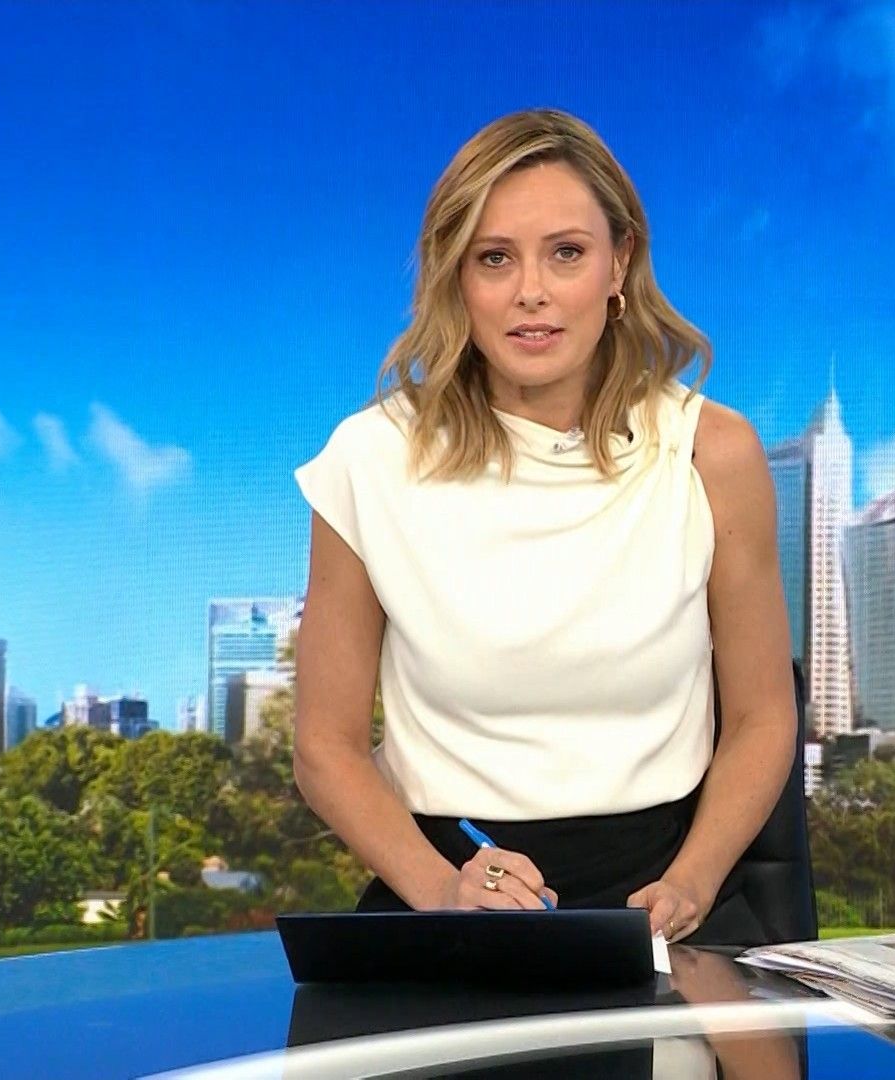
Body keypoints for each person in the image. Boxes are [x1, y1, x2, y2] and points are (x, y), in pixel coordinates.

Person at [291, 108, 797, 946]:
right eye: (495, 258)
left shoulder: (713, 453)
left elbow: (761, 719)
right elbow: (325, 747)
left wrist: (692, 882)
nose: (532, 291)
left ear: (619, 262)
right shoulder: (370, 458)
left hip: (670, 898)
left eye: (566, 253)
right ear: (456, 276)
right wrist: (443, 889)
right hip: (446, 892)